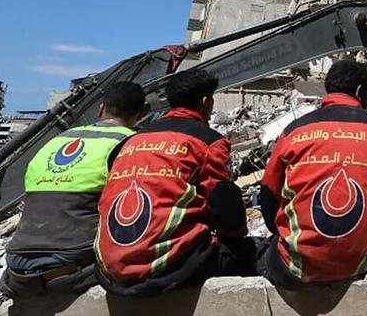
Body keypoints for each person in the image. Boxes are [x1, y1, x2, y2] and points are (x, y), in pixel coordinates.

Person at [95, 70, 263, 296]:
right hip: (167, 269)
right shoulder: (208, 142)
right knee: (258, 251)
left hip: (109, 270)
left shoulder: (130, 142)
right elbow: (225, 209)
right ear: (205, 102)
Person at [258, 58, 367, 288]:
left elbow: (268, 192)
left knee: (269, 249)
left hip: (297, 268)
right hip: (365, 263)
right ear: (360, 91)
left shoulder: (294, 130)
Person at [0, 82, 147, 299]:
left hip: (16, 263)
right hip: (70, 264)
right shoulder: (132, 144)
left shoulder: (58, 140)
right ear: (141, 114)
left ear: (101, 109)